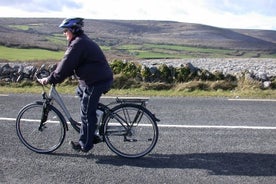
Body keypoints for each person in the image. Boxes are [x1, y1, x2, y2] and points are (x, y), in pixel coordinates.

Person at [38, 18, 113, 153]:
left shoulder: (78, 44)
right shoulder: (79, 42)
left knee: (86, 111)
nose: (64, 33)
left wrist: (50, 79)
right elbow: (66, 63)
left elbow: (66, 65)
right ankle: (94, 123)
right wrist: (54, 74)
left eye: (65, 30)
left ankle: (85, 143)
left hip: (97, 81)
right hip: (93, 79)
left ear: (73, 30)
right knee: (80, 92)